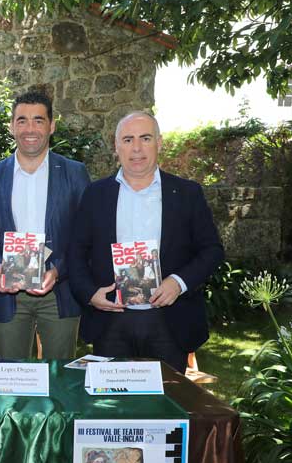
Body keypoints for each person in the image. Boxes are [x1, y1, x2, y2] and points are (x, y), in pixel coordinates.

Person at [68, 111, 224, 373]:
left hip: (170, 321)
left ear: (159, 143)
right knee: (112, 408)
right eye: (128, 140)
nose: (137, 148)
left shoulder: (187, 194)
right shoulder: (96, 195)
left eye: (145, 138)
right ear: (116, 147)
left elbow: (212, 250)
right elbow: (75, 252)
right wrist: (90, 293)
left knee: (167, 405)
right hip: (111, 321)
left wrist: (178, 283)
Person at [0, 91, 90, 359]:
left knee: (59, 379)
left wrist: (57, 271)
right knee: (13, 379)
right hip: (8, 293)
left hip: (59, 291)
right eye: (22, 120)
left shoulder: (74, 173)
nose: (30, 128)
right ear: (12, 126)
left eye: (38, 120)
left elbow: (86, 237)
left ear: (51, 125)